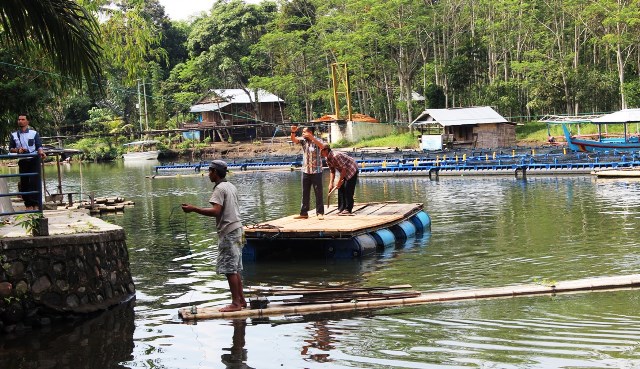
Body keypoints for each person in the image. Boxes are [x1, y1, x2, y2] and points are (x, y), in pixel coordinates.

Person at [181, 160, 247, 312]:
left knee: (230, 269)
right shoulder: (230, 186)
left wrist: (193, 209)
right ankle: (241, 300)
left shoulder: (219, 189)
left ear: (215, 172)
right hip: (239, 229)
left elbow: (216, 211)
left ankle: (236, 304)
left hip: (229, 232)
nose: (208, 174)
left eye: (210, 171)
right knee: (235, 267)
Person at [8, 114, 46, 210]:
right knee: (24, 183)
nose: (20, 121)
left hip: (33, 160)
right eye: (19, 119)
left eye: (23, 119)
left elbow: (39, 146)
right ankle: (28, 205)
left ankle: (36, 204)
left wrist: (41, 152)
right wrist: (17, 150)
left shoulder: (34, 133)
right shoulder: (14, 135)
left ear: (27, 122)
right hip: (23, 160)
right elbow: (10, 149)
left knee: (34, 182)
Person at [290, 125, 325, 219]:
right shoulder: (303, 141)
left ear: (310, 132)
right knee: (305, 192)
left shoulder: (318, 140)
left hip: (316, 171)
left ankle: (320, 213)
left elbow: (323, 146)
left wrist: (312, 138)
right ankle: (304, 213)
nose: (302, 133)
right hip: (305, 170)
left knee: (318, 192)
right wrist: (293, 132)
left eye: (304, 132)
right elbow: (294, 139)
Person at [320, 145, 358, 215]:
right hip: (344, 171)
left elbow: (344, 169)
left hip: (351, 169)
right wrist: (331, 183)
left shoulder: (335, 156)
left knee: (348, 189)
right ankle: (341, 208)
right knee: (340, 188)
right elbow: (332, 171)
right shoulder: (327, 158)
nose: (320, 152)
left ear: (326, 150)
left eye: (321, 150)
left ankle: (348, 209)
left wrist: (340, 181)